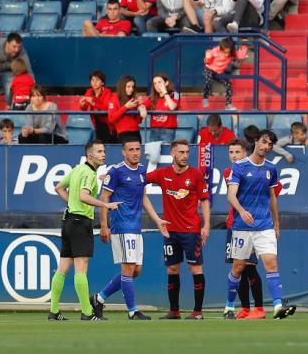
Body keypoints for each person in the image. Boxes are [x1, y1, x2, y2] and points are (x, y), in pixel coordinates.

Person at [91, 137, 170, 320]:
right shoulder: (116, 171)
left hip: (136, 226)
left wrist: (158, 220)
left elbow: (143, 198)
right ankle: (133, 311)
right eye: (131, 150)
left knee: (136, 271)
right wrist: (104, 225)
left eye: (137, 149)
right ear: (123, 152)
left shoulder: (142, 170)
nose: (135, 153)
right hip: (121, 225)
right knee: (128, 269)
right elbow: (104, 198)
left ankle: (99, 298)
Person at [224, 129, 297, 320]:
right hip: (241, 226)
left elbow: (272, 197)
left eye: (270, 145)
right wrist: (241, 211)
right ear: (256, 141)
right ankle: (229, 306)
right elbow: (231, 195)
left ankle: (278, 306)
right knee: (238, 267)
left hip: (264, 225)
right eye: (264, 142)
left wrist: (277, 224)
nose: (266, 147)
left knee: (271, 263)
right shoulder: (239, 167)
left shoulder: (271, 168)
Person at [49, 140, 122, 321]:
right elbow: (83, 195)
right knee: (81, 267)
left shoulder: (77, 170)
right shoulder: (89, 173)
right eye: (99, 151)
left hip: (68, 221)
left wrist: (71, 203)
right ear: (90, 155)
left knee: (62, 268)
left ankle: (54, 311)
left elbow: (58, 187)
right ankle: (87, 313)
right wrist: (106, 204)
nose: (103, 154)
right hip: (80, 222)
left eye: (104, 151)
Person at [147, 139, 211, 319]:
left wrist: (206, 225)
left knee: (195, 269)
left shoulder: (196, 175)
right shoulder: (162, 174)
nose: (185, 156)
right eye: (181, 152)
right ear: (173, 154)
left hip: (191, 230)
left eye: (187, 153)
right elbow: (139, 179)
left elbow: (205, 200)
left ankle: (197, 312)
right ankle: (174, 311)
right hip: (170, 231)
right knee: (172, 269)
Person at [223, 138, 267, 319]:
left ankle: (259, 308)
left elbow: (275, 189)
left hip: (250, 226)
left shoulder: (256, 170)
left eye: (238, 152)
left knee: (249, 267)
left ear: (245, 154)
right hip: (233, 225)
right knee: (237, 268)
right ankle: (245, 308)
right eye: (231, 152)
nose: (234, 156)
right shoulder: (228, 172)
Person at [202, 37, 247, 110]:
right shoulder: (215, 51)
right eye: (224, 52)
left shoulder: (232, 54)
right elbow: (207, 62)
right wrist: (207, 57)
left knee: (229, 85)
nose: (226, 54)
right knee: (208, 80)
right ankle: (205, 97)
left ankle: (228, 105)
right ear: (221, 49)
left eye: (228, 52)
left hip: (219, 72)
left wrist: (244, 45)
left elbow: (241, 56)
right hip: (209, 69)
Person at [108, 75, 147, 143]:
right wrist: (126, 107)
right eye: (128, 86)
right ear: (122, 87)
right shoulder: (114, 98)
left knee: (138, 153)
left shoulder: (133, 99)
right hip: (123, 134)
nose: (131, 89)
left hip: (136, 133)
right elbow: (111, 118)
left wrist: (141, 109)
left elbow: (138, 121)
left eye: (132, 87)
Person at [79, 69, 115, 144]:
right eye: (92, 80)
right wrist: (82, 105)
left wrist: (94, 103)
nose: (94, 82)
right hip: (96, 122)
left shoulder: (107, 92)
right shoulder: (89, 91)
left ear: (102, 83)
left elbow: (106, 108)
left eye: (97, 80)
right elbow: (84, 108)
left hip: (108, 124)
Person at [143, 74, 179, 144]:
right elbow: (142, 105)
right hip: (154, 130)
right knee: (152, 154)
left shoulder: (174, 94)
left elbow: (172, 107)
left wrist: (165, 92)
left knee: (166, 153)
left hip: (168, 130)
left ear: (166, 83)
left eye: (159, 82)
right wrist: (142, 108)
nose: (157, 85)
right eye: (155, 83)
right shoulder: (152, 97)